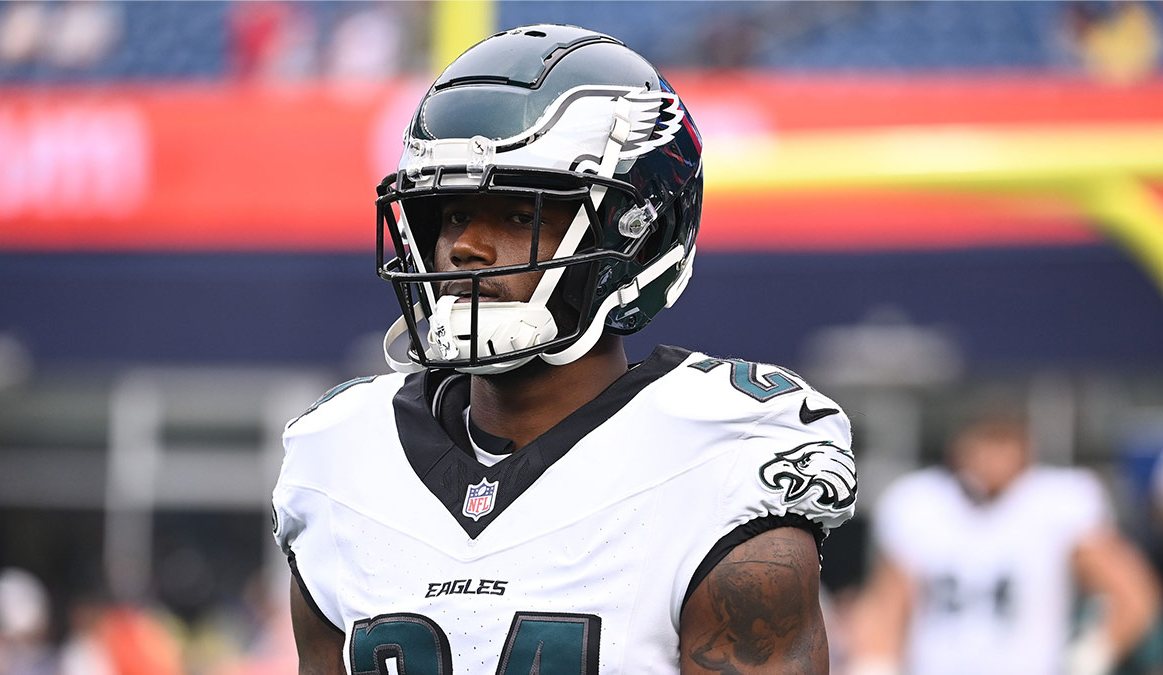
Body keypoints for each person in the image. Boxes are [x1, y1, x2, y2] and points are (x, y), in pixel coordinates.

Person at [271, 24, 857, 674]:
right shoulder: (342, 457)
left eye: (520, 216)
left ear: (636, 234)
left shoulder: (720, 457)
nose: (466, 247)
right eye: (455, 215)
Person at [847, 413, 1161, 675]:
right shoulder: (920, 503)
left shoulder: (1058, 501)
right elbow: (888, 603)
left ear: (1025, 448)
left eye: (1002, 443)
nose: (992, 457)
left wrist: (1093, 652)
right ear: (960, 447)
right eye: (984, 442)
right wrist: (874, 663)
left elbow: (1132, 592)